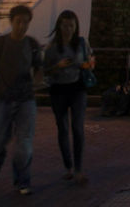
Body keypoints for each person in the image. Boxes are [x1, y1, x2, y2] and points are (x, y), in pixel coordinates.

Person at [0, 4, 43, 195]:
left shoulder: (32, 45)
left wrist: (37, 80)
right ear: (11, 22)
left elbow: (39, 69)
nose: (22, 26)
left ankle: (22, 181)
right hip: (1, 99)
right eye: (18, 22)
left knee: (24, 143)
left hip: (26, 100)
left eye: (26, 22)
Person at [43, 10, 95, 185]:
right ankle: (68, 166)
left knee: (78, 128)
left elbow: (91, 61)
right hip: (58, 89)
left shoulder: (81, 43)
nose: (68, 29)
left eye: (71, 25)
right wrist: (57, 66)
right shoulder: (51, 48)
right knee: (62, 128)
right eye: (65, 25)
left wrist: (88, 64)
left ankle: (79, 168)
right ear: (59, 26)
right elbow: (45, 70)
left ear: (76, 27)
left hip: (77, 88)